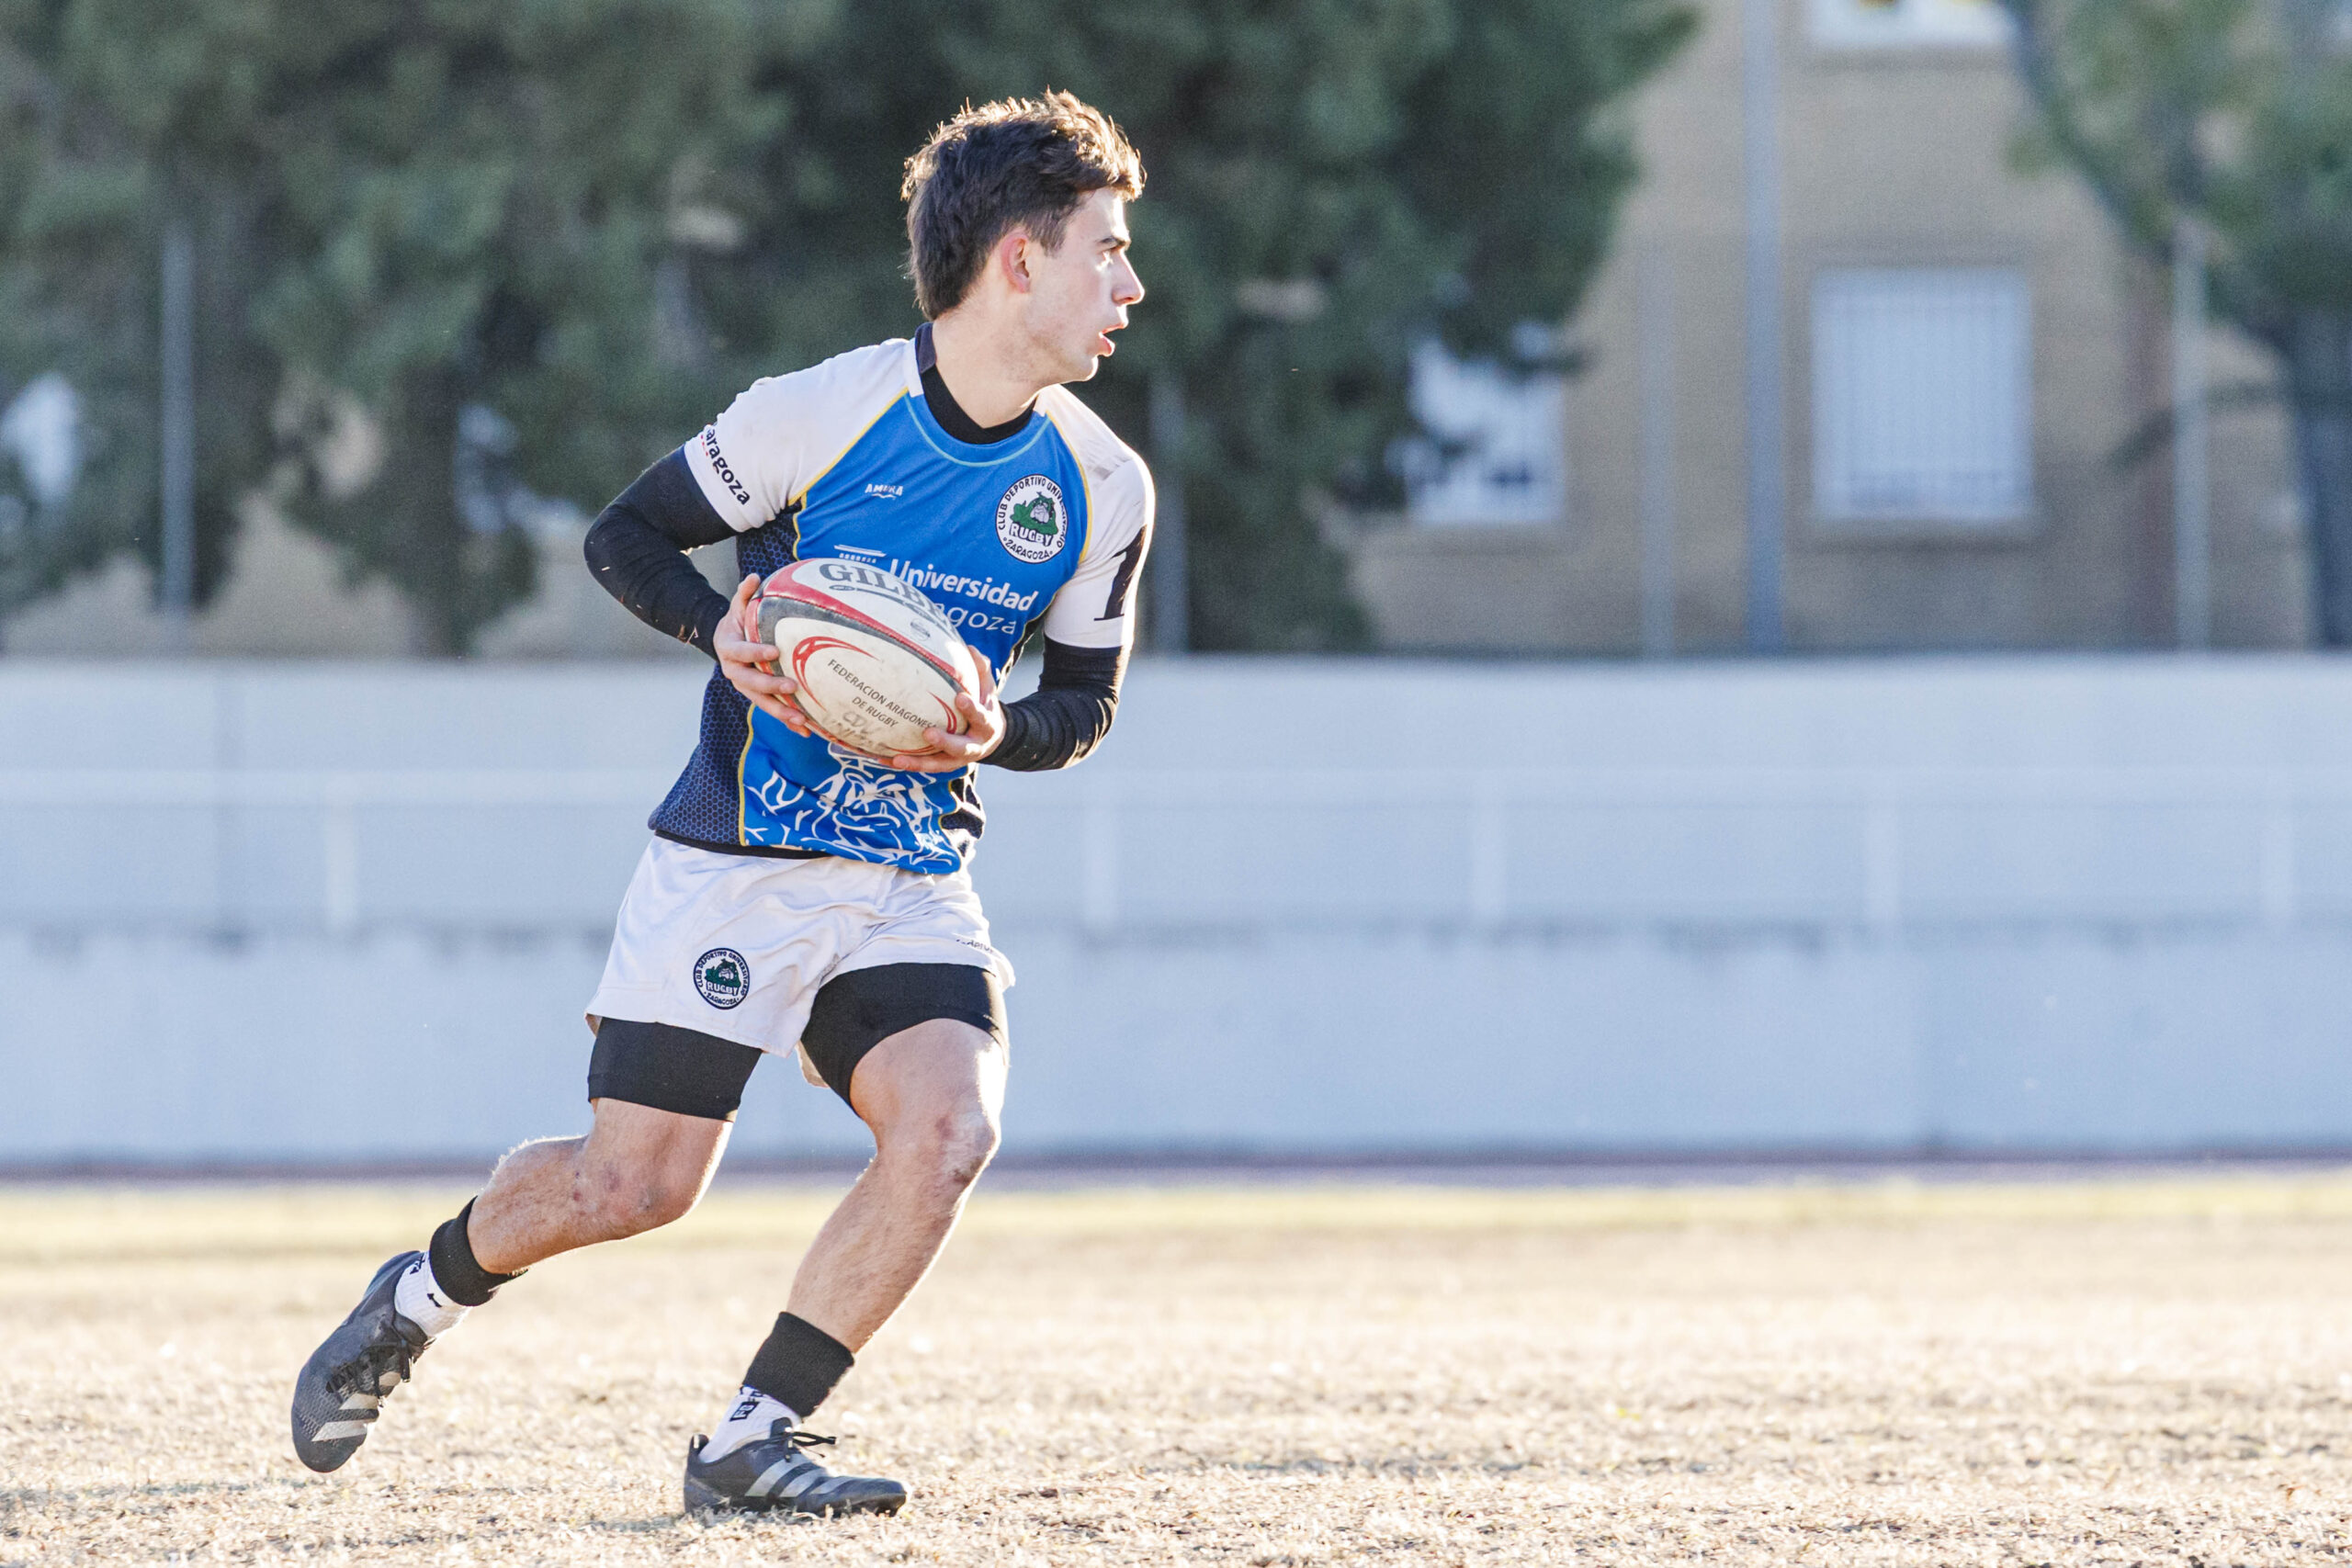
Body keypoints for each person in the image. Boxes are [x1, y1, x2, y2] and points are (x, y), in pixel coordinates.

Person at [288, 91, 1152, 1519]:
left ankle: (752, 1437)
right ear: (1017, 258)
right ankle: (421, 1294)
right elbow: (626, 536)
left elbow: (1084, 712)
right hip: (740, 858)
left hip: (910, 873)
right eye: (1107, 250)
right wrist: (721, 633)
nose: (1129, 284)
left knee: (949, 1132)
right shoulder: (824, 412)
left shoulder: (1104, 486)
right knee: (637, 1188)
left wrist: (994, 734)